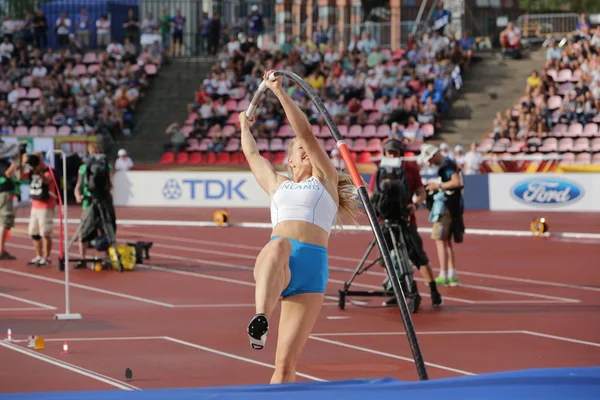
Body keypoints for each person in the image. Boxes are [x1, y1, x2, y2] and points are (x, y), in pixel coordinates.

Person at [239, 71, 360, 384]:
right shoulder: (277, 183)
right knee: (279, 244)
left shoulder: (325, 181)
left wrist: (280, 93)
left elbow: (305, 133)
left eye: (307, 150)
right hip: (279, 261)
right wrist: (243, 126)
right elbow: (251, 153)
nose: (305, 151)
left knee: (285, 367)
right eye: (298, 152)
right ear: (289, 162)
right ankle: (261, 317)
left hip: (311, 268)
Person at [370, 139, 442, 307]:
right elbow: (372, 194)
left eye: (395, 152)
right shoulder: (379, 172)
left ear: (401, 153)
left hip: (406, 220)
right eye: (389, 152)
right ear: (385, 153)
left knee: (418, 255)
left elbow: (421, 192)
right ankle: (398, 291)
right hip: (385, 220)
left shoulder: (410, 171)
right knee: (385, 259)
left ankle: (433, 290)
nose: (392, 155)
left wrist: (415, 205)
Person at [420, 143, 464, 287]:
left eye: (430, 159)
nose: (430, 163)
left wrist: (437, 186)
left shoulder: (446, 165)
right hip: (454, 205)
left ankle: (443, 274)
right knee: (447, 241)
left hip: (446, 207)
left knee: (440, 239)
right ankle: (452, 274)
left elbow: (456, 182)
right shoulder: (448, 164)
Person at [74, 143, 114, 269]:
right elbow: (78, 186)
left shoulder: (106, 167)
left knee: (105, 230)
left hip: (102, 202)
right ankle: (82, 258)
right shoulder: (83, 168)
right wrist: (77, 195)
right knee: (83, 231)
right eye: (92, 152)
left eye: (96, 152)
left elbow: (110, 184)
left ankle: (108, 257)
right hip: (88, 203)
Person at [25, 152, 57, 266]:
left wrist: (38, 171)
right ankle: (38, 256)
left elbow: (47, 180)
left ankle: (47, 257)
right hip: (35, 205)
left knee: (45, 233)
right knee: (34, 232)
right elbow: (20, 177)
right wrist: (22, 163)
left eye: (37, 158)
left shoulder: (48, 170)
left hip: (46, 205)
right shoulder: (31, 170)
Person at [0, 148, 24, 260]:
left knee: (4, 222)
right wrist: (15, 160)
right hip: (4, 194)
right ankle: (1, 250)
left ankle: (1, 249)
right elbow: (9, 174)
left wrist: (20, 159)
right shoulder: (2, 163)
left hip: (4, 193)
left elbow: (17, 172)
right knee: (5, 222)